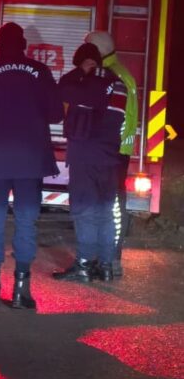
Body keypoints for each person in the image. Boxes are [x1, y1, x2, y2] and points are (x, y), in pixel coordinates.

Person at [0, 23, 64, 309]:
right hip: (31, 161)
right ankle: (21, 292)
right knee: (26, 223)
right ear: (23, 46)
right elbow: (56, 115)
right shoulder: (41, 73)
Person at [52, 44, 128, 283]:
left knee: (84, 211)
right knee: (105, 212)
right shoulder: (118, 84)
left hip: (85, 156)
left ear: (83, 61)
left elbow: (61, 91)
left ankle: (83, 265)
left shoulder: (83, 84)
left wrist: (82, 72)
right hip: (110, 157)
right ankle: (105, 266)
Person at [84, 30, 136, 279]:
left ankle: (111, 260)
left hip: (113, 150)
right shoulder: (120, 71)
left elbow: (117, 116)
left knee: (112, 207)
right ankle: (106, 258)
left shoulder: (111, 75)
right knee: (110, 206)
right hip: (117, 149)